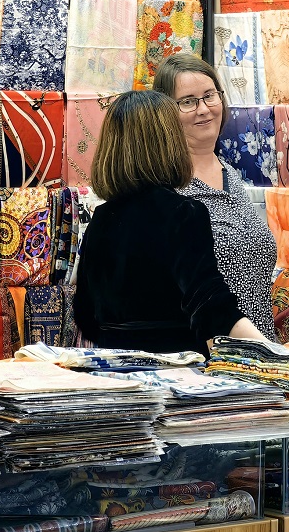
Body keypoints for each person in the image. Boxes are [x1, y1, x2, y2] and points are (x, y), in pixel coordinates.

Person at [73, 89, 268, 356]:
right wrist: (276, 354)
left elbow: (84, 315)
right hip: (176, 375)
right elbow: (211, 304)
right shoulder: (183, 214)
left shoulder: (101, 218)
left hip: (115, 375)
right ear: (168, 142)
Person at [153, 53, 278, 341]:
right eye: (188, 101)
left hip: (259, 354)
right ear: (165, 111)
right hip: (203, 362)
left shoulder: (231, 175)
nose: (203, 109)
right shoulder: (167, 188)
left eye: (210, 96)